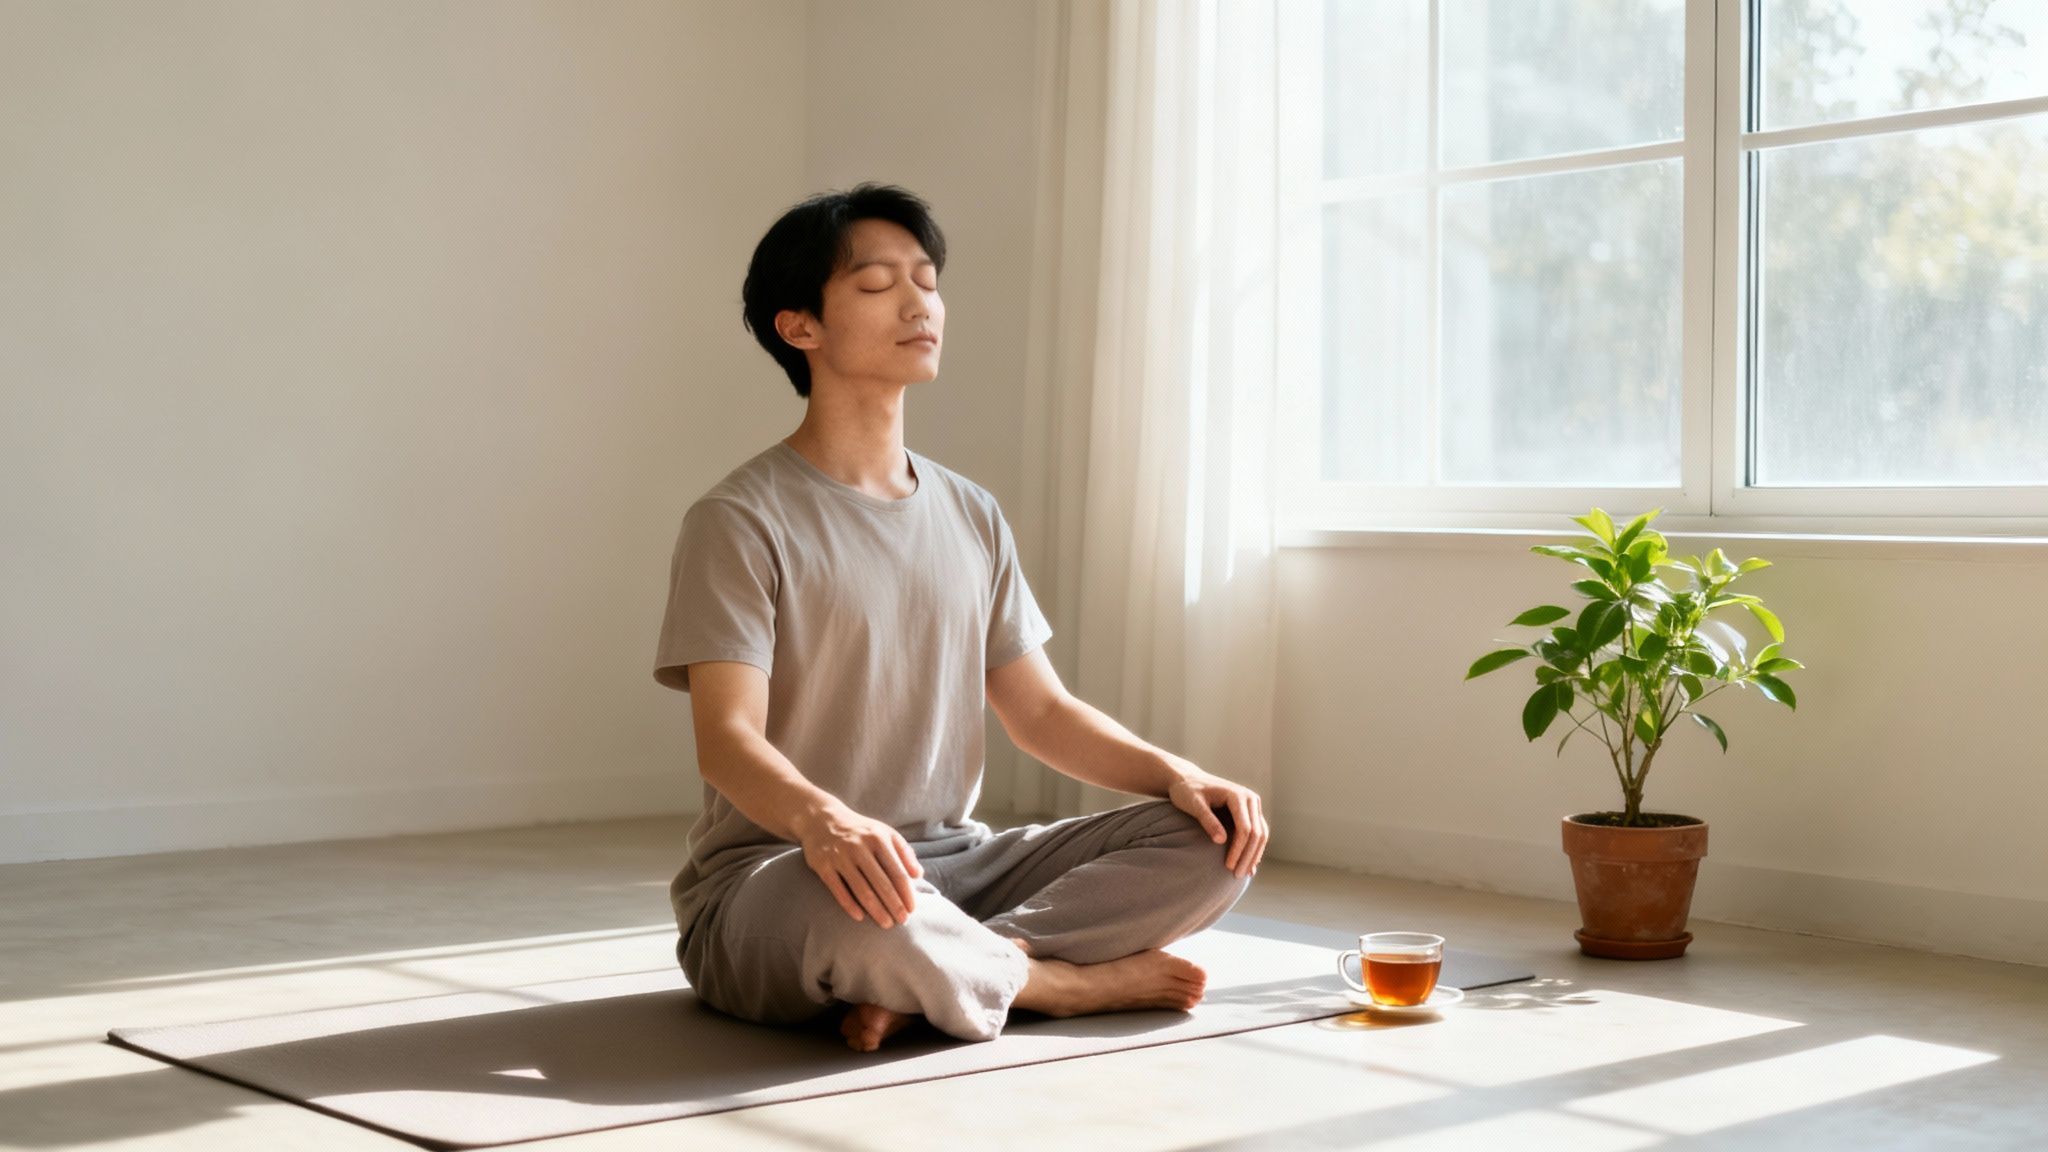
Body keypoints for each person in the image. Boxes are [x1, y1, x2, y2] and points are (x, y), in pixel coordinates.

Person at [652, 182, 1270, 1053]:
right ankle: (1050, 983)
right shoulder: (738, 519)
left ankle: (954, 970)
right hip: (781, 877)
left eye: (928, 281)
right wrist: (826, 822)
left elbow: (1042, 714)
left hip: (956, 871)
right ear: (801, 327)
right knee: (848, 909)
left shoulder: (971, 512)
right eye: (877, 286)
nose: (919, 304)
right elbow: (727, 740)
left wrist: (1176, 773)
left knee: (1213, 840)